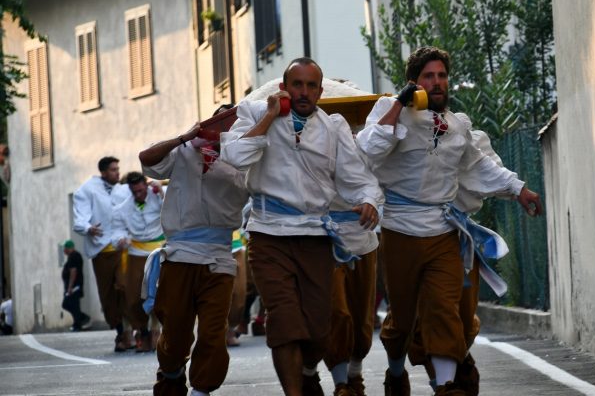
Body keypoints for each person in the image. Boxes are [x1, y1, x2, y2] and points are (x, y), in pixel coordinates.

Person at [356, 46, 542, 396]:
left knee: (444, 309)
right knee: (404, 318)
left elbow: (479, 165)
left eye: (442, 76)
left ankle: (446, 387)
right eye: (429, 76)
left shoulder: (456, 125)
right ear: (414, 82)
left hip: (443, 231)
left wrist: (519, 189)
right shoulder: (390, 113)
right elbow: (366, 150)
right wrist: (399, 104)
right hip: (399, 230)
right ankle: (396, 371)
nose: (438, 82)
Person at [219, 57, 384, 396]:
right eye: (297, 84)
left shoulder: (334, 127)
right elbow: (235, 157)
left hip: (315, 237)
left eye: (311, 86)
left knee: (320, 328)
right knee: (284, 320)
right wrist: (268, 116)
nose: (304, 92)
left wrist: (368, 200)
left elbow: (358, 178)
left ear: (321, 92)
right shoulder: (253, 113)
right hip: (269, 234)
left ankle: (308, 371)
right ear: (284, 88)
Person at [139, 104, 250, 396]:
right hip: (180, 254)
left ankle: (202, 390)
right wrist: (183, 138)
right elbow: (146, 159)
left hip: (220, 258)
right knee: (175, 331)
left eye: (234, 121)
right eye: (222, 119)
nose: (227, 126)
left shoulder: (246, 159)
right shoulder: (184, 151)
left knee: (214, 333)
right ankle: (172, 375)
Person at [408, 113, 508, 395]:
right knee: (424, 317)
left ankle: (458, 359)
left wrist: (516, 188)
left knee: (462, 317)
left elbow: (491, 175)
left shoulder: (470, 140)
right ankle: (443, 383)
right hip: (418, 237)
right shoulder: (405, 142)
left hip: (460, 239)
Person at [72, 156, 133, 351]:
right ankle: (119, 331)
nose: (117, 172)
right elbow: (79, 218)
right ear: (104, 172)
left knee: (125, 288)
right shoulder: (87, 190)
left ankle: (130, 331)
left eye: (118, 168)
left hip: (122, 249)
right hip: (102, 251)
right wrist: (88, 228)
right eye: (113, 169)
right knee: (108, 295)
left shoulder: (122, 190)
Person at [322, 196, 380, 396]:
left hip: (362, 236)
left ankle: (355, 374)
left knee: (361, 315)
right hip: (321, 235)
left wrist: (372, 198)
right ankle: (341, 385)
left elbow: (378, 174)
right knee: (336, 310)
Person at [113, 172, 165, 352]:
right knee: (134, 295)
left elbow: (175, 209)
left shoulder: (159, 197)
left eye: (141, 190)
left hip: (159, 249)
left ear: (146, 186)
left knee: (161, 292)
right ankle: (142, 330)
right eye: (135, 192)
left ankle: (157, 329)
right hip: (136, 252)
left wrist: (162, 193)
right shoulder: (123, 208)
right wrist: (120, 240)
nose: (139, 195)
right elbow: (117, 230)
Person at [61, 240, 91, 332]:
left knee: (70, 304)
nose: (64, 250)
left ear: (69, 248)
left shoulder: (74, 256)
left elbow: (73, 271)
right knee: (71, 305)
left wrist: (70, 287)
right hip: (73, 287)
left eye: (65, 248)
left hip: (74, 287)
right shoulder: (73, 256)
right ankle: (80, 320)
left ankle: (79, 323)